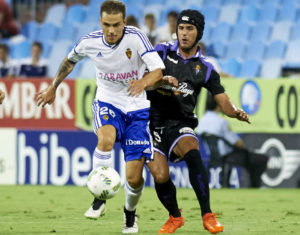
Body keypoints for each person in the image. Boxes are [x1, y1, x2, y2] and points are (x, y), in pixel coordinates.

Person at [36, 1, 170, 233]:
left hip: (137, 107)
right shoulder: (89, 41)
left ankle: (130, 215)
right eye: (107, 24)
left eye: (116, 25)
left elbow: (158, 71)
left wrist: (142, 82)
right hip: (107, 101)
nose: (111, 30)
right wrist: (53, 87)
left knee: (134, 178)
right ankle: (100, 198)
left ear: (124, 23)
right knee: (105, 139)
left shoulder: (136, 37)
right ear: (100, 22)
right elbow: (70, 61)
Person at [146, 9, 250, 234]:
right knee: (161, 176)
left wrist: (235, 112)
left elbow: (223, 102)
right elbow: (143, 80)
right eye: (181, 28)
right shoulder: (160, 52)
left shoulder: (205, 68)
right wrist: (158, 82)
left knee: (193, 151)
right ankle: (175, 217)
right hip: (151, 124)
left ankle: (207, 215)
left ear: (198, 33)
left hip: (181, 123)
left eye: (189, 29)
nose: (184, 33)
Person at [197, 93, 268, 188]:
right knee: (260, 159)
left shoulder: (202, 121)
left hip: (211, 155)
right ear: (219, 106)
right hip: (228, 155)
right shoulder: (221, 122)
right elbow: (238, 143)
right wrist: (244, 147)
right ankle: (254, 187)